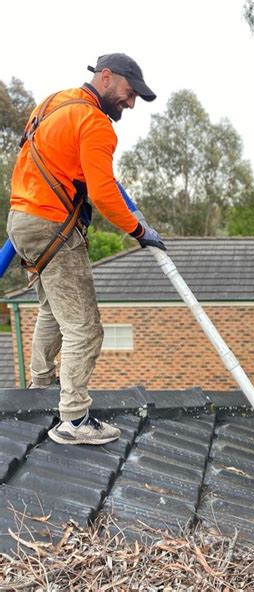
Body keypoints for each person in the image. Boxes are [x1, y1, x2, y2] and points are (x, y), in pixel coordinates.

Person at [7, 53, 165, 445]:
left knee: (53, 311)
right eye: (130, 94)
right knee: (86, 327)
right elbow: (105, 194)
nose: (130, 103)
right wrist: (138, 231)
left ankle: (41, 389)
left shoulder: (53, 103)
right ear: (106, 77)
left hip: (21, 221)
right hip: (53, 227)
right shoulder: (95, 123)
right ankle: (74, 420)